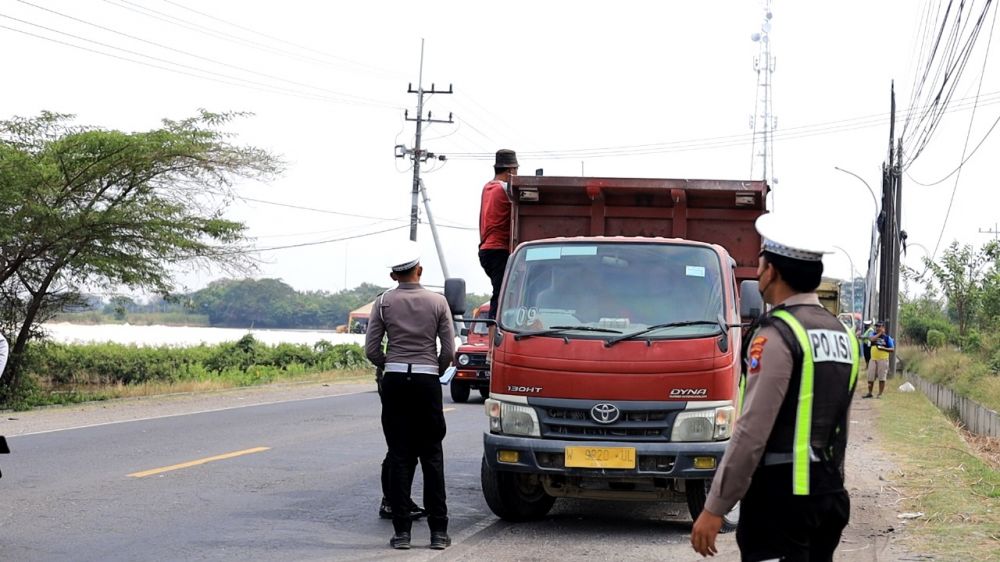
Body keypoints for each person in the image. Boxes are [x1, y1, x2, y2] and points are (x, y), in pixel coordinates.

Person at [691, 213, 860, 561]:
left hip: (780, 503)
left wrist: (715, 506)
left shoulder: (778, 334)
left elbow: (752, 432)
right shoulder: (842, 335)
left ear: (772, 272)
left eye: (762, 264)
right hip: (828, 495)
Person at [365, 241, 455, 550]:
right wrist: (434, 368)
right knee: (431, 455)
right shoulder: (438, 302)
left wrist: (389, 364)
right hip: (427, 381)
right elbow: (449, 352)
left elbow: (372, 350)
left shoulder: (383, 303)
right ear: (419, 271)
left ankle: (401, 532)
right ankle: (438, 533)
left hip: (395, 382)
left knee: (400, 455)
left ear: (394, 275)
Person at [478, 149, 519, 320]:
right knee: (501, 295)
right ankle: (493, 341)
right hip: (499, 249)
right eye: (516, 170)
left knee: (501, 292)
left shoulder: (488, 187)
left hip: (485, 249)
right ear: (510, 170)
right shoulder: (505, 190)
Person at [863, 321, 894, 399]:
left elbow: (892, 349)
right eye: (876, 326)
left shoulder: (887, 338)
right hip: (873, 359)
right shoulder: (873, 335)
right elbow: (871, 339)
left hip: (883, 359)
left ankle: (880, 394)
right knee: (870, 377)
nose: (877, 328)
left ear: (883, 328)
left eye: (879, 326)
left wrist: (884, 348)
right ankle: (870, 393)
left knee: (882, 378)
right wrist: (880, 334)